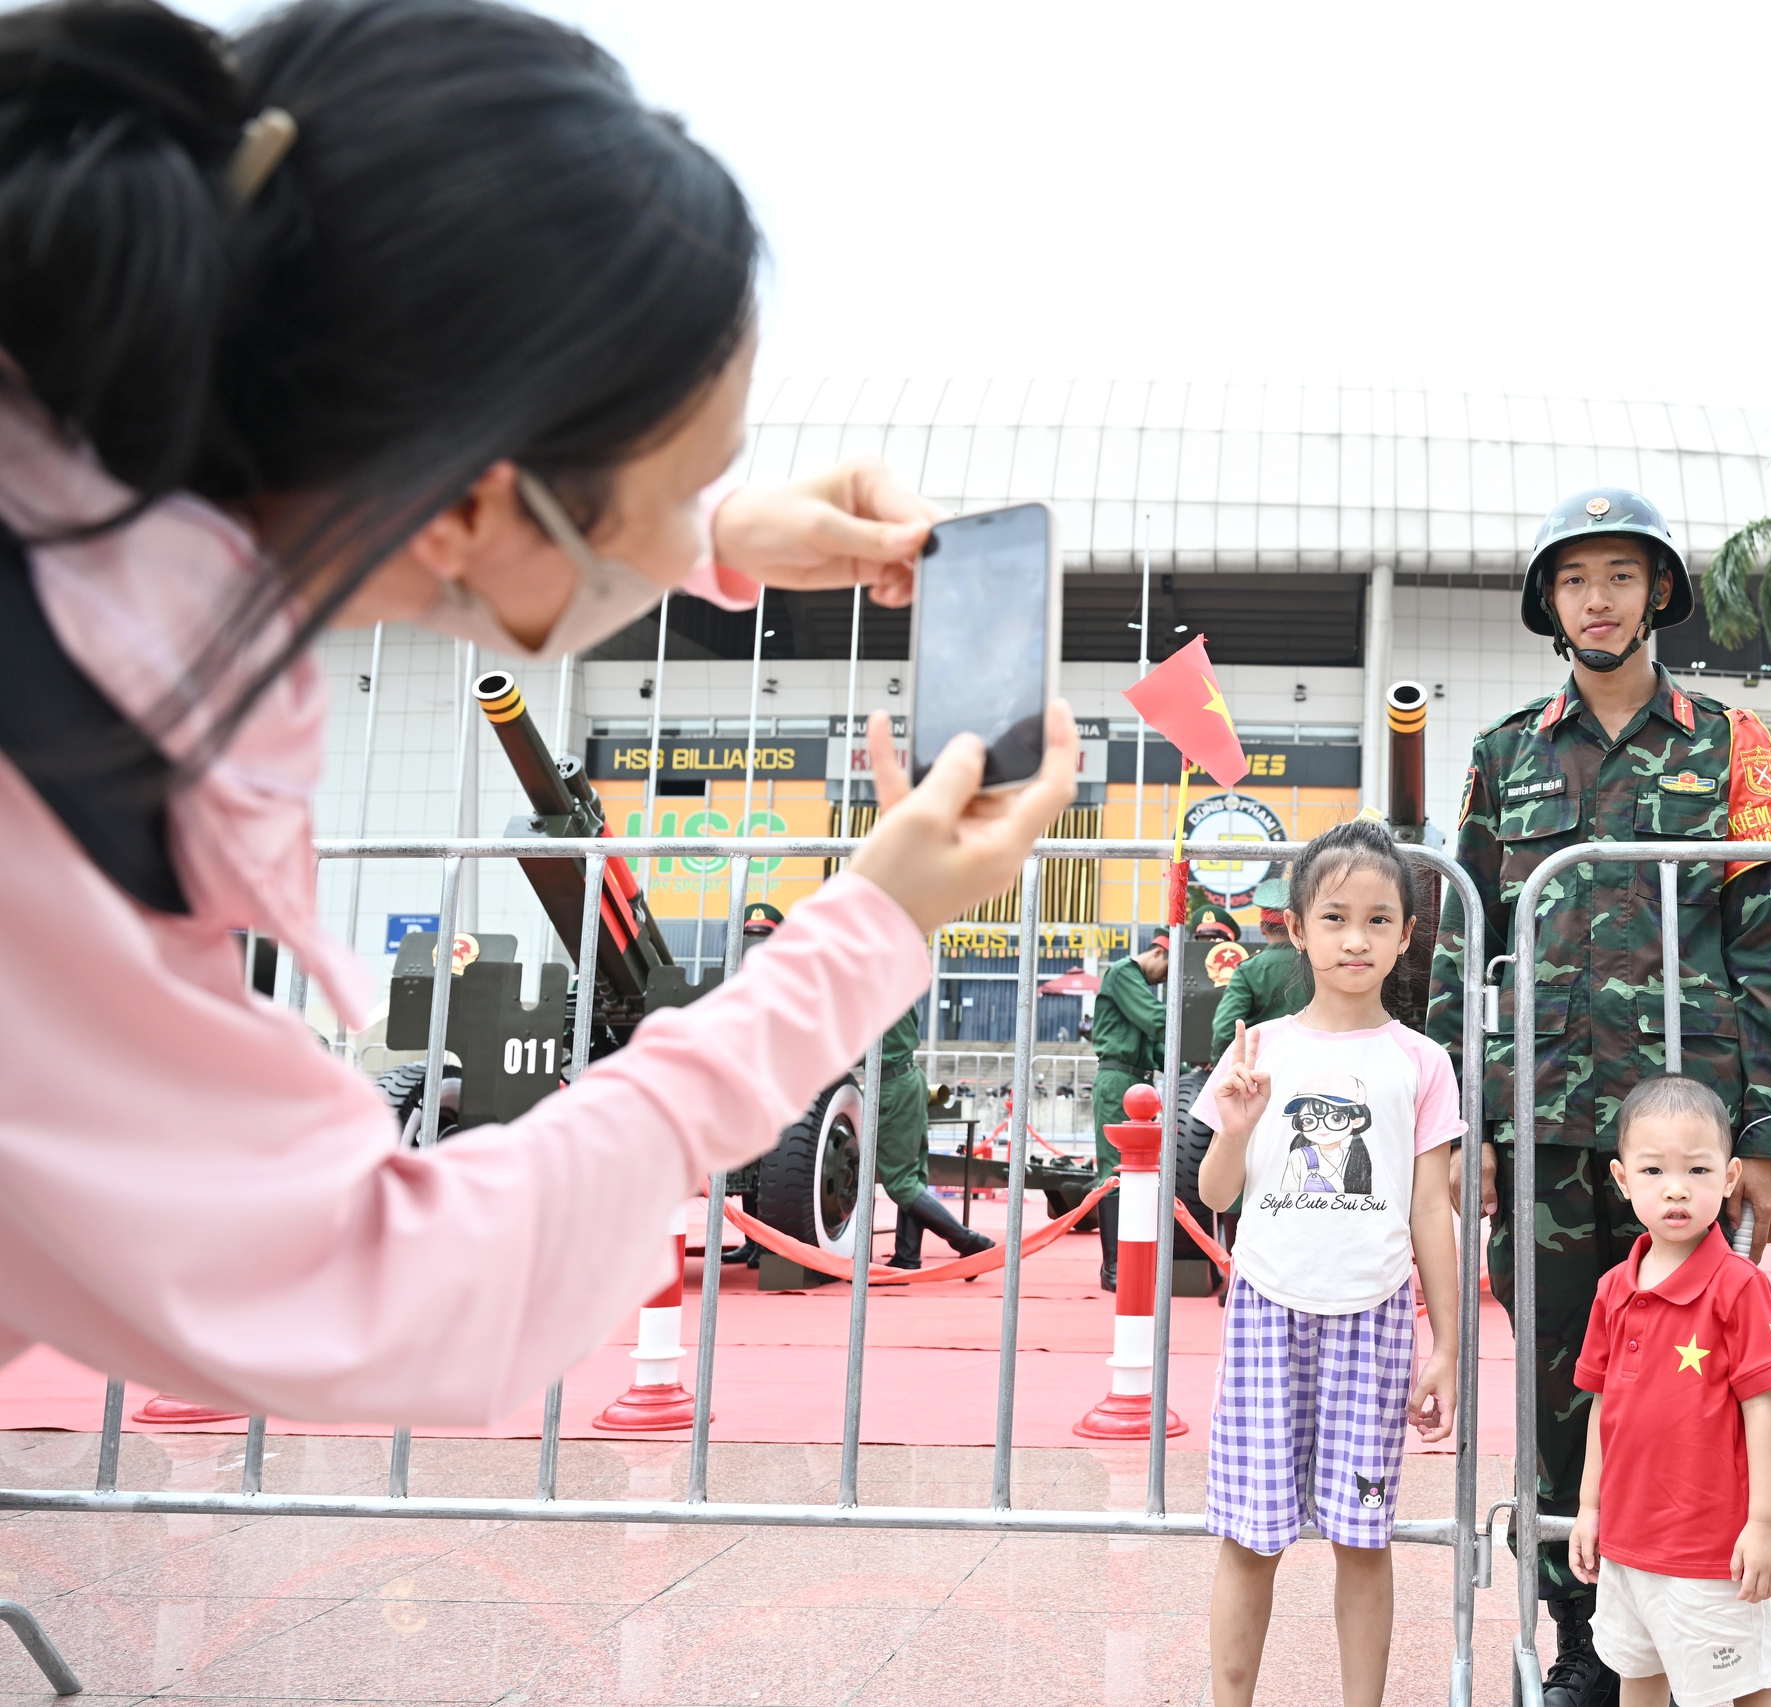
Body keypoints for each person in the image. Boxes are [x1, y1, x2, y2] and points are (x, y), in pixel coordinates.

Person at [0, 0, 1077, 1422]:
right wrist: (864, 933)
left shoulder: (71, 534)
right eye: (679, 481)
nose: (686, 527)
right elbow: (387, 1299)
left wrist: (716, 531)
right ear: (467, 501)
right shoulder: (59, 779)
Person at [1423, 486, 1771, 1703]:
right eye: (1575, 578)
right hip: (1539, 1123)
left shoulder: (1728, 744)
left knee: (1686, 1392)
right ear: (1550, 602)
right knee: (1561, 1389)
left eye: (1620, 576)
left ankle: (1692, 1625)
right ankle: (1583, 1644)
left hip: (1682, 1137)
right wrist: (1459, 1119)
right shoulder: (1502, 753)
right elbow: (1458, 944)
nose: (1599, 598)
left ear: (1657, 596)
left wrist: (1761, 1126)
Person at [1195, 818, 1463, 1707]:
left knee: (1363, 1534)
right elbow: (1217, 1193)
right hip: (1268, 1311)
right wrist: (1234, 1129)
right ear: (1296, 926)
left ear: (1406, 933)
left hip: (1376, 1316)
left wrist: (1447, 1346)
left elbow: (1432, 1207)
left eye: (1379, 919)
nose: (1357, 938)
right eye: (1336, 917)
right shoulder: (1258, 1048)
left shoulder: (1422, 1062)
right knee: (1250, 1534)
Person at [1569, 1077, 1771, 1707]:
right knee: (1638, 1681)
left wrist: (1765, 1525)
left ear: (1728, 1178)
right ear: (1622, 1179)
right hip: (1626, 1543)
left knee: (1745, 1688)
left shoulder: (1738, 1285)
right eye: (1653, 1170)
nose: (1676, 1187)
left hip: (1707, 1550)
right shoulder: (1614, 1286)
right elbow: (1602, 1408)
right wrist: (1590, 1509)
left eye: (1697, 1169)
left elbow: (1764, 1408)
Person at [876, 1006, 994, 1269]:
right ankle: (907, 1256)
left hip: (891, 1083)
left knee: (900, 1181)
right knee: (913, 1174)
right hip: (909, 1078)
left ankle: (967, 1241)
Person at [1090, 931, 1169, 1287]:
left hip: (1136, 1082)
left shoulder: (1134, 981)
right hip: (1118, 1082)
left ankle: (1126, 1260)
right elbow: (1157, 1020)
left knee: (1136, 1173)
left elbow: (1155, 1050)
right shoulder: (1124, 972)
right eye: (1167, 970)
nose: (1163, 980)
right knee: (1115, 1170)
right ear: (1158, 952)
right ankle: (1113, 1267)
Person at [1210, 877, 1311, 1042]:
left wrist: (1226, 1064)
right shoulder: (1317, 964)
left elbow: (1224, 1030)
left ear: (1263, 928)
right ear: (1295, 926)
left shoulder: (1248, 970)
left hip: (1259, 1063)